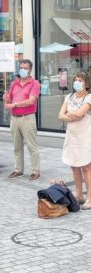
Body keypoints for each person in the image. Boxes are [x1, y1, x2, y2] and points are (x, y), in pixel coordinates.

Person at [3, 59, 41, 180]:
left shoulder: (35, 83)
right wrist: (6, 99)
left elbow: (31, 101)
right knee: (17, 146)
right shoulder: (14, 83)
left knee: (31, 146)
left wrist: (14, 105)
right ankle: (18, 169)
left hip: (27, 118)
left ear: (30, 70)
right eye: (21, 67)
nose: (23, 70)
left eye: (25, 68)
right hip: (14, 118)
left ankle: (36, 171)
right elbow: (9, 101)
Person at [58, 72, 91, 209]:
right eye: (76, 80)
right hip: (71, 136)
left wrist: (71, 115)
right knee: (74, 166)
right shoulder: (68, 97)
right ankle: (79, 195)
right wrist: (74, 116)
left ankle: (90, 197)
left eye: (80, 80)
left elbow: (80, 113)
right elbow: (60, 115)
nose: (77, 82)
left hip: (84, 136)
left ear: (86, 83)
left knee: (86, 167)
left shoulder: (89, 97)